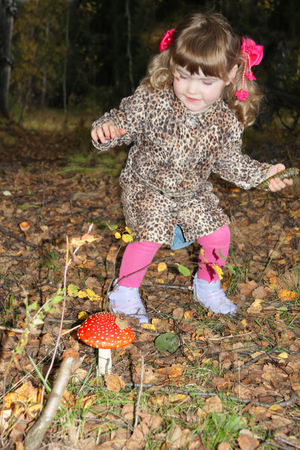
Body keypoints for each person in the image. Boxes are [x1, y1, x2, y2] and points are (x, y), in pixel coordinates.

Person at [91, 12, 293, 323]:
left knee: (218, 232)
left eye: (206, 81)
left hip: (192, 190)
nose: (192, 90)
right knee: (151, 233)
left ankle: (207, 285)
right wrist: (107, 130)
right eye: (184, 75)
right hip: (146, 184)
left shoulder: (225, 121)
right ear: (172, 65)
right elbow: (123, 121)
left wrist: (264, 175)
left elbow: (231, 162)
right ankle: (125, 291)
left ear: (230, 74)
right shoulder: (153, 99)